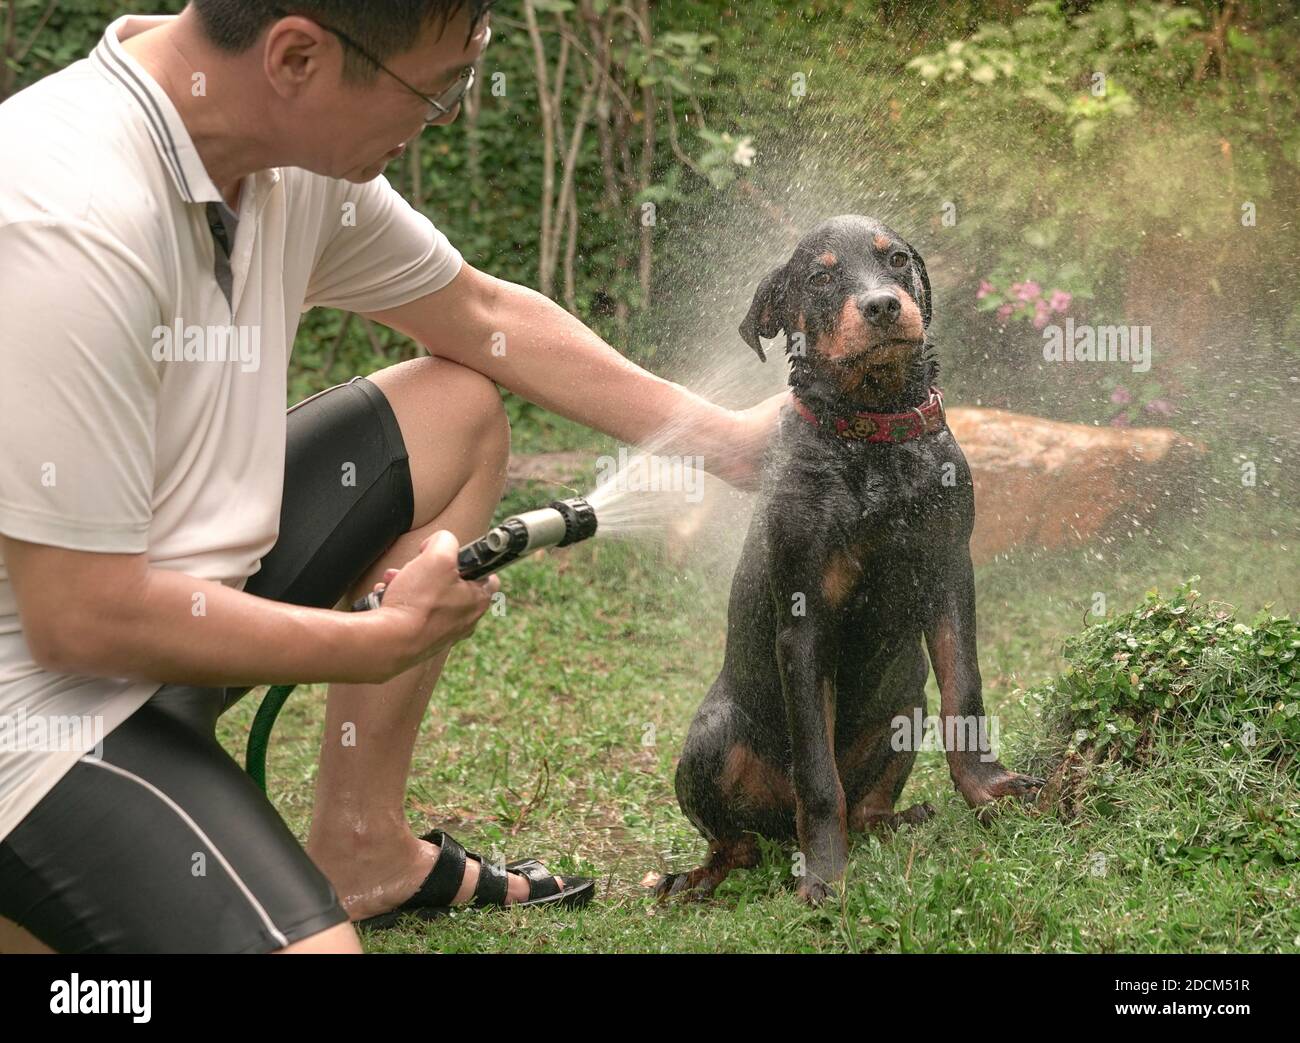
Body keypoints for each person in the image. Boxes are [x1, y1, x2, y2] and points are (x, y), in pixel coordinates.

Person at [0, 1, 782, 954]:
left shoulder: (279, 157)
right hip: (46, 708)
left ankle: (361, 845)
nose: (438, 117)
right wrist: (371, 641)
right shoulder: (64, 215)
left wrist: (730, 441)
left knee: (455, 411)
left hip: (170, 617)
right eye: (436, 89)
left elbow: (479, 312)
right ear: (297, 56)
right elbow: (80, 616)